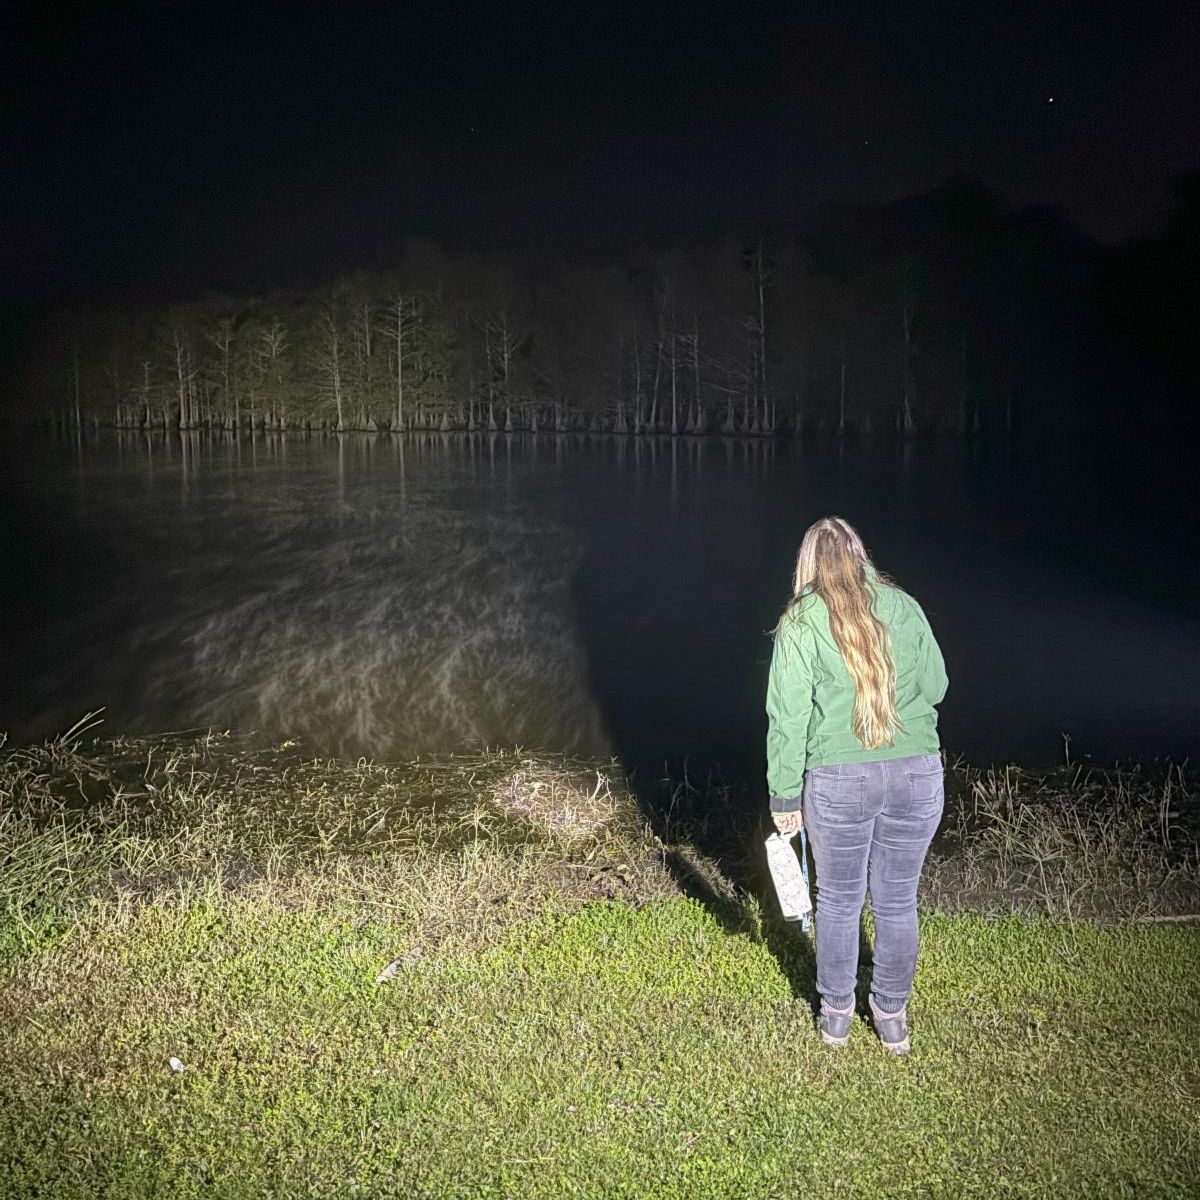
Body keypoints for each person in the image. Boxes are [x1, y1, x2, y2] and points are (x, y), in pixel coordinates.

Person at [766, 516, 948, 1054]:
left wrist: (783, 795)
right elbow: (936, 686)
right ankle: (891, 1015)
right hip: (916, 773)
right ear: (861, 553)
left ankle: (837, 1017)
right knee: (897, 900)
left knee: (839, 902)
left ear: (807, 565)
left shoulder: (800, 622)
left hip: (838, 780)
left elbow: (787, 718)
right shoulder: (904, 606)